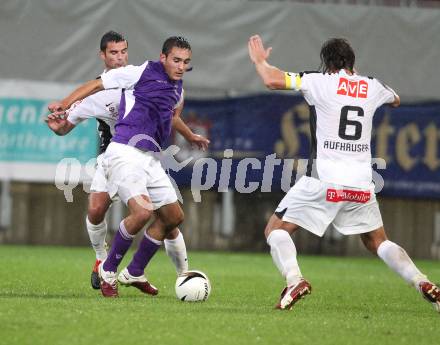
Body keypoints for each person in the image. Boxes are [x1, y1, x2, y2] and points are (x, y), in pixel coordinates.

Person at [248, 34, 440, 311]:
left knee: (275, 230)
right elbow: (395, 99)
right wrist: (359, 84)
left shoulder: (318, 81)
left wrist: (260, 61)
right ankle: (421, 281)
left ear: (326, 63)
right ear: (353, 62)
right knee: (378, 241)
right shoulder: (371, 85)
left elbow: (272, 80)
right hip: (361, 184)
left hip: (324, 180)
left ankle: (294, 281)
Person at [47, 34, 208, 296]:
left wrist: (190, 135)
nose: (180, 66)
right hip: (123, 152)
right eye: (176, 60)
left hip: (150, 157)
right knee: (139, 212)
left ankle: (134, 272)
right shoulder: (139, 72)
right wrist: (64, 104)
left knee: (173, 217)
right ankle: (107, 268)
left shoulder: (178, 88)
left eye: (186, 62)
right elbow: (95, 85)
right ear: (163, 58)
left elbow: (172, 115)